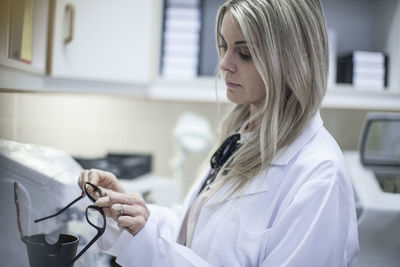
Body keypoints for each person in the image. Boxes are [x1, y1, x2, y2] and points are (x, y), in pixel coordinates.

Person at [78, 0, 359, 266]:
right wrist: (133, 214)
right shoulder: (244, 134)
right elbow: (197, 231)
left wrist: (151, 246)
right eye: (223, 46)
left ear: (290, 62)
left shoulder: (319, 176)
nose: (224, 63)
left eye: (245, 53)